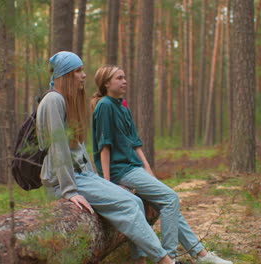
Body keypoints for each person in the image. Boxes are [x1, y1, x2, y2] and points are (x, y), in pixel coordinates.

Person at [36, 52, 174, 264]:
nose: (83, 75)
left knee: (136, 201)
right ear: (66, 75)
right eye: (78, 71)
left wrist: (97, 179)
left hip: (82, 176)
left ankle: (139, 261)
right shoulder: (53, 100)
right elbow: (58, 149)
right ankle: (166, 261)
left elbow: (78, 150)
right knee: (129, 205)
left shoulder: (66, 101)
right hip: (64, 180)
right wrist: (69, 191)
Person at [91, 65, 233, 264]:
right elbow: (103, 146)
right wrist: (107, 184)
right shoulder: (105, 105)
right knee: (170, 198)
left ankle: (200, 254)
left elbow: (134, 141)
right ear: (106, 83)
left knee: (166, 205)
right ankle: (170, 257)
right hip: (120, 170)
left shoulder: (122, 104)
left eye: (125, 77)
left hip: (133, 168)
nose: (124, 81)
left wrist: (147, 169)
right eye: (119, 78)